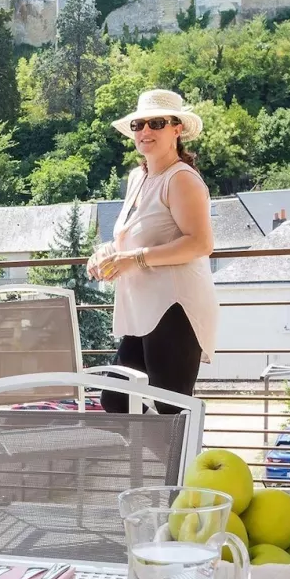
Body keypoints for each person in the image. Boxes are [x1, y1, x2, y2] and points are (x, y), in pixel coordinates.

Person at [87, 89, 219, 414]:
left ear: (177, 129)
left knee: (168, 411)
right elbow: (132, 235)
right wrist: (104, 254)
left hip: (175, 309)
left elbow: (201, 243)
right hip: (143, 309)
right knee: (116, 398)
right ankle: (150, 462)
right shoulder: (138, 177)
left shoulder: (182, 179)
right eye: (138, 125)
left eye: (156, 123)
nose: (145, 131)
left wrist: (135, 259)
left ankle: (178, 464)